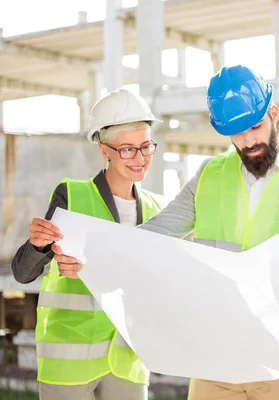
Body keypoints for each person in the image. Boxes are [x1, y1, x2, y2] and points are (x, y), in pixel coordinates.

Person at [51, 65, 279, 400]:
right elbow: (153, 236)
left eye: (255, 127)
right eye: (236, 133)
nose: (248, 141)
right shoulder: (209, 174)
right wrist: (88, 253)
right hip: (215, 358)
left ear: (273, 114)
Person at [11, 88, 164, 400]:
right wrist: (39, 245)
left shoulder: (157, 210)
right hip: (69, 362)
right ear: (104, 150)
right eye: (127, 149)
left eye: (146, 146)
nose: (140, 158)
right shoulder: (72, 195)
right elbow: (23, 273)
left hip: (128, 363)